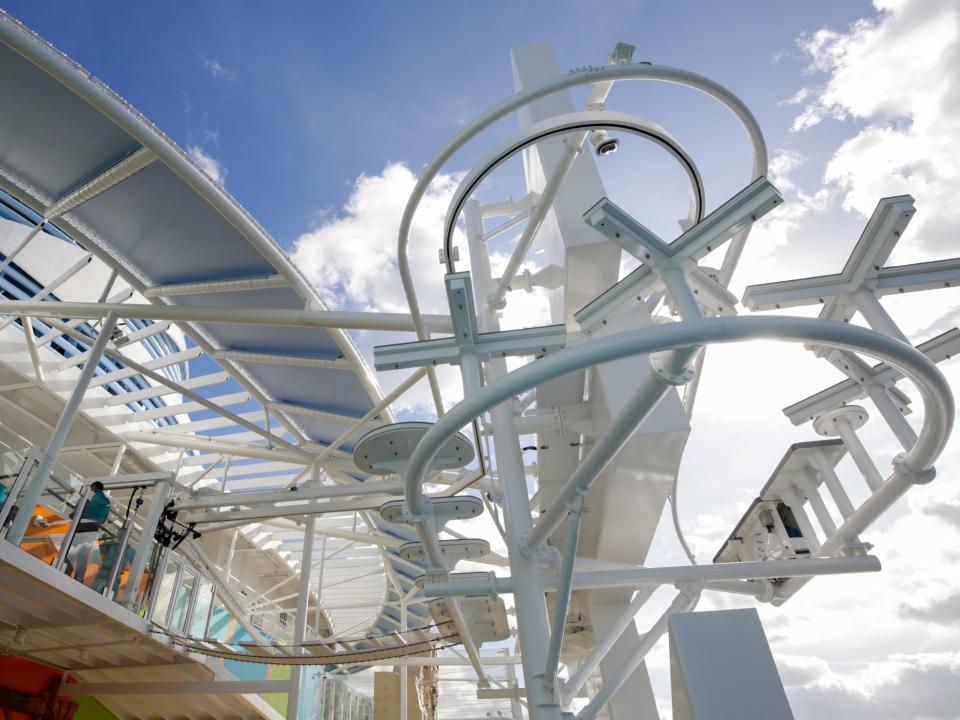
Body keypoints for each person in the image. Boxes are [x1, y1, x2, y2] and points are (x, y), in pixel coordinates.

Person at [69, 481, 111, 584]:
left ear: (94, 487)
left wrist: (73, 515)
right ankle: (79, 578)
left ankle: (65, 570)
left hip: (81, 526)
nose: (91, 489)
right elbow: (103, 520)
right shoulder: (107, 502)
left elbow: (77, 509)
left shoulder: (90, 494)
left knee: (72, 551)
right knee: (83, 555)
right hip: (93, 530)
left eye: (92, 487)